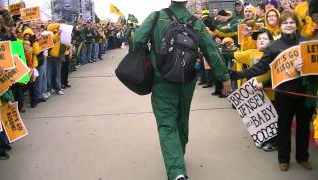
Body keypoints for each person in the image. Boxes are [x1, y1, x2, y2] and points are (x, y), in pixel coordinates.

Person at [132, 0, 231, 179]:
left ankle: (176, 171)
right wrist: (224, 77)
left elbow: (137, 40)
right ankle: (178, 156)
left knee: (166, 123)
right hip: (187, 80)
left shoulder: (156, 17)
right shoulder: (197, 23)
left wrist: (149, 59)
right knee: (182, 118)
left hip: (161, 80)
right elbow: (212, 50)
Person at [231, 10, 318, 171]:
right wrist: (238, 74)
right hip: (283, 93)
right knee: (283, 126)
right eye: (285, 23)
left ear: (296, 24)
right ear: (280, 25)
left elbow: (315, 66)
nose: (289, 25)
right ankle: (283, 159)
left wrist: (304, 67)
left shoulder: (306, 42)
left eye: (292, 22)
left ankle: (302, 157)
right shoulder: (274, 47)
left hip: (304, 92)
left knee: (304, 127)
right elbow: (260, 67)